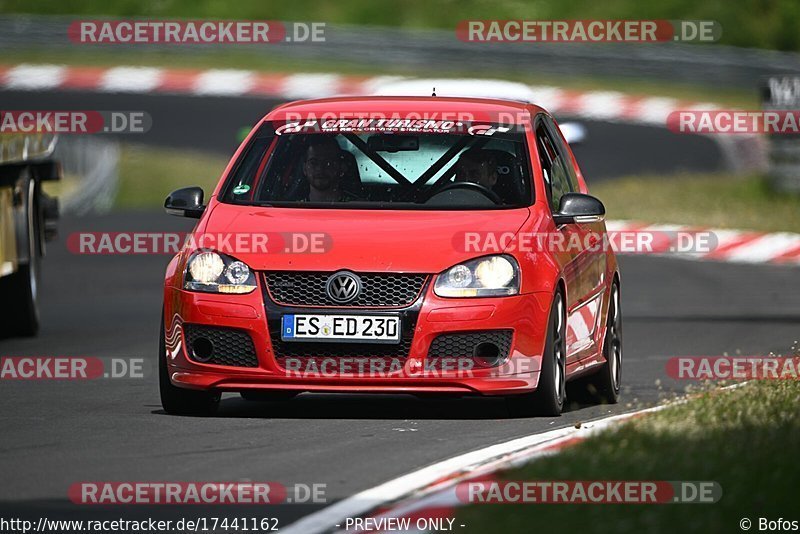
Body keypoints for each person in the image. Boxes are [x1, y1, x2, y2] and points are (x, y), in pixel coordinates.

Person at [302, 136, 345, 202]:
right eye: (313, 163)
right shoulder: (290, 208)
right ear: (304, 168)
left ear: (341, 167)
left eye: (328, 162)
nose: (320, 168)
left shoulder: (357, 207)